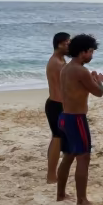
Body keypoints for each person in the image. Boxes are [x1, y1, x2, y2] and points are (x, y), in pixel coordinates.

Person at [56, 34, 103, 205]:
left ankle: (61, 194)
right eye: (91, 51)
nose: (92, 55)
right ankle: (82, 200)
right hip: (76, 118)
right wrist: (98, 81)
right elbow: (98, 92)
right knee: (83, 157)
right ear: (83, 52)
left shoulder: (66, 68)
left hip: (64, 116)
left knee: (68, 156)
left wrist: (92, 80)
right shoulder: (80, 70)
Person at [44, 32, 70, 184]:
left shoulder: (61, 60)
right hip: (56, 105)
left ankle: (52, 172)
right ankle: (51, 176)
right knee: (57, 139)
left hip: (58, 104)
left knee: (56, 138)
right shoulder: (57, 63)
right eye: (67, 43)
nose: (69, 46)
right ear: (59, 44)